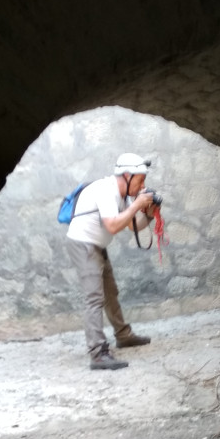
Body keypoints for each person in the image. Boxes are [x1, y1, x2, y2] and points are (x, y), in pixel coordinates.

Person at [66, 153, 158, 370]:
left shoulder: (122, 195)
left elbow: (132, 225)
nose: (142, 186)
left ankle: (123, 335)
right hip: (84, 245)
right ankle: (98, 353)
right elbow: (113, 226)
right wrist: (137, 205)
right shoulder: (106, 190)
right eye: (140, 180)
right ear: (127, 175)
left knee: (110, 292)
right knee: (95, 298)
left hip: (97, 245)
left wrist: (151, 212)